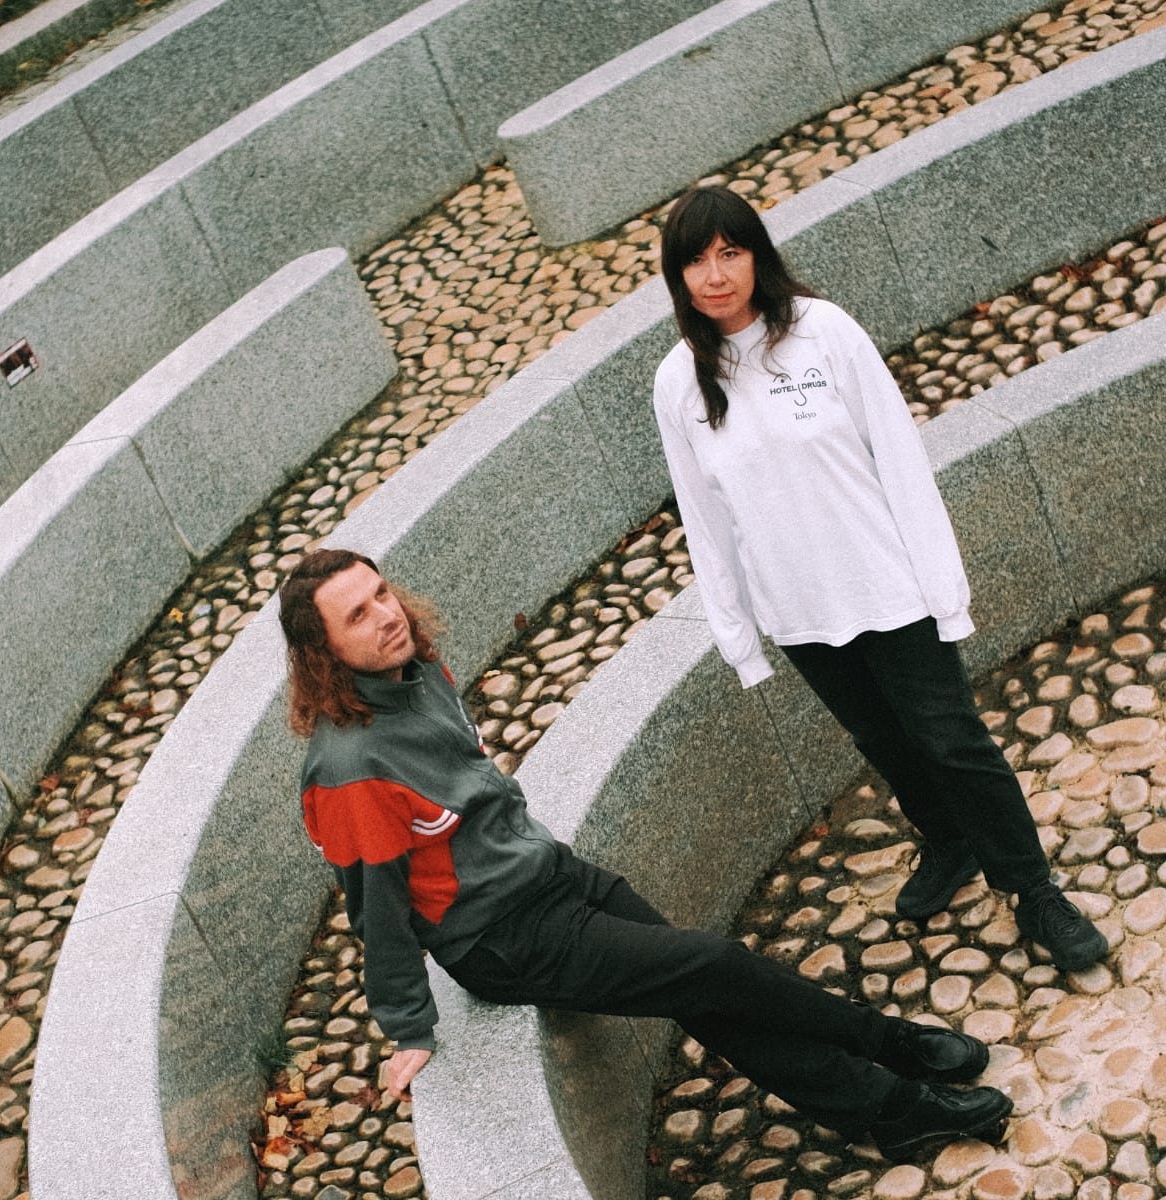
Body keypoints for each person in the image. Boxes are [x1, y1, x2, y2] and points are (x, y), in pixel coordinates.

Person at [279, 547, 1014, 1161]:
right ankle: (896, 1053)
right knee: (715, 966)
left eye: (382, 594)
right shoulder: (350, 770)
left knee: (708, 991)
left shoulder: (418, 675)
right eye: (358, 615)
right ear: (324, 655)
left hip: (549, 874)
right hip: (502, 937)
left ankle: (887, 1112)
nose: (386, 616)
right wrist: (407, 1024)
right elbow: (375, 904)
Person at [652, 185, 1107, 974]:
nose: (715, 275)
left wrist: (941, 589)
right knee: (883, 740)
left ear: (758, 255)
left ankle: (1034, 891)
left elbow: (899, 460)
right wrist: (740, 634)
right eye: (696, 261)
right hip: (798, 607)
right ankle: (950, 840)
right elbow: (705, 514)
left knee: (952, 741)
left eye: (730, 252)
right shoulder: (677, 381)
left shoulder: (822, 331)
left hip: (885, 584)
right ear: (677, 276)